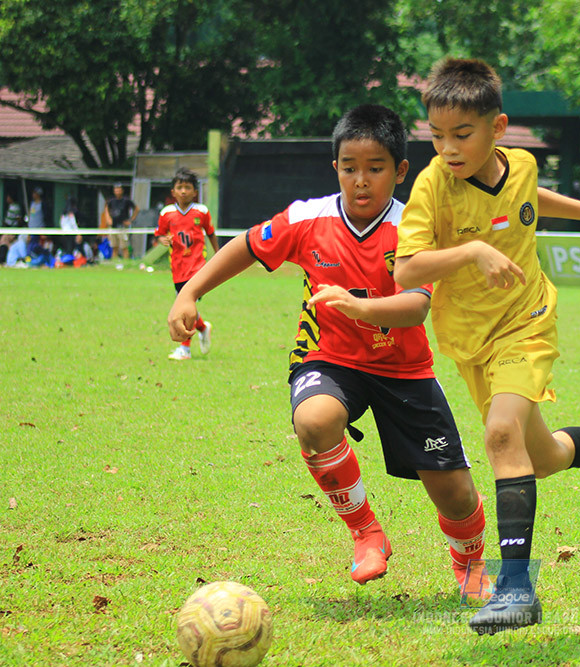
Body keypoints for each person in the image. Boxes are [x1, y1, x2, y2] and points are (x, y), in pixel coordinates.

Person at [393, 58, 580, 635]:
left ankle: (516, 589)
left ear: (497, 128)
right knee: (540, 458)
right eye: (437, 135)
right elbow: (406, 269)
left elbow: (528, 197)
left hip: (528, 321)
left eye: (462, 134)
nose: (448, 148)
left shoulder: (520, 163)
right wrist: (473, 252)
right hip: (471, 342)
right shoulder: (432, 186)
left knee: (501, 435)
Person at [167, 105, 491, 598]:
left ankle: (470, 567)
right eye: (349, 167)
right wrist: (190, 292)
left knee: (455, 493)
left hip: (404, 368)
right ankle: (366, 532)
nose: (361, 180)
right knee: (315, 420)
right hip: (329, 357)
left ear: (400, 171)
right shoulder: (307, 218)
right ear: (335, 167)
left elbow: (415, 308)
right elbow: (246, 246)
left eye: (375, 168)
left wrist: (359, 308)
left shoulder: (414, 227)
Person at [156, 168, 218, 361]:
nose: (183, 191)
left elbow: (210, 233)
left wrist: (218, 254)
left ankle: (185, 349)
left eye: (188, 187)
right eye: (179, 187)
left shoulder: (202, 211)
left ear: (195, 192)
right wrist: (163, 240)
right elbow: (160, 234)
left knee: (185, 306)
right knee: (185, 305)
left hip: (197, 267)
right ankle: (203, 327)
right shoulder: (167, 213)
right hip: (178, 268)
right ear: (173, 191)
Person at [103, 183, 138, 260]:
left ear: (122, 191)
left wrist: (130, 220)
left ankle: (126, 262)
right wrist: (108, 219)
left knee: (124, 247)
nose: (117, 192)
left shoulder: (126, 200)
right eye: (116, 190)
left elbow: (136, 209)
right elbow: (106, 208)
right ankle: (114, 262)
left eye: (119, 190)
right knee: (114, 247)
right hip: (113, 226)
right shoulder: (111, 200)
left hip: (122, 227)